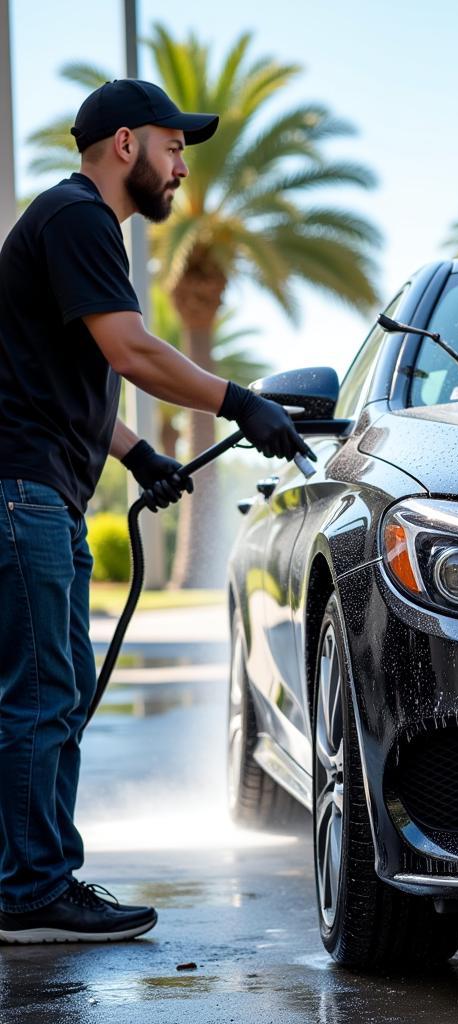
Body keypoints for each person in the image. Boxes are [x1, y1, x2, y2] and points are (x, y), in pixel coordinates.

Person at [0, 79, 314, 944]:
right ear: (127, 144)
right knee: (39, 692)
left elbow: (52, 379)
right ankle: (29, 893)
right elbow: (130, 350)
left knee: (53, 692)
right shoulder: (78, 219)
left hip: (40, 488)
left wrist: (140, 456)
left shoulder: (75, 227)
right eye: (176, 149)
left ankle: (36, 879)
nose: (182, 169)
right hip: (21, 492)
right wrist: (240, 402)